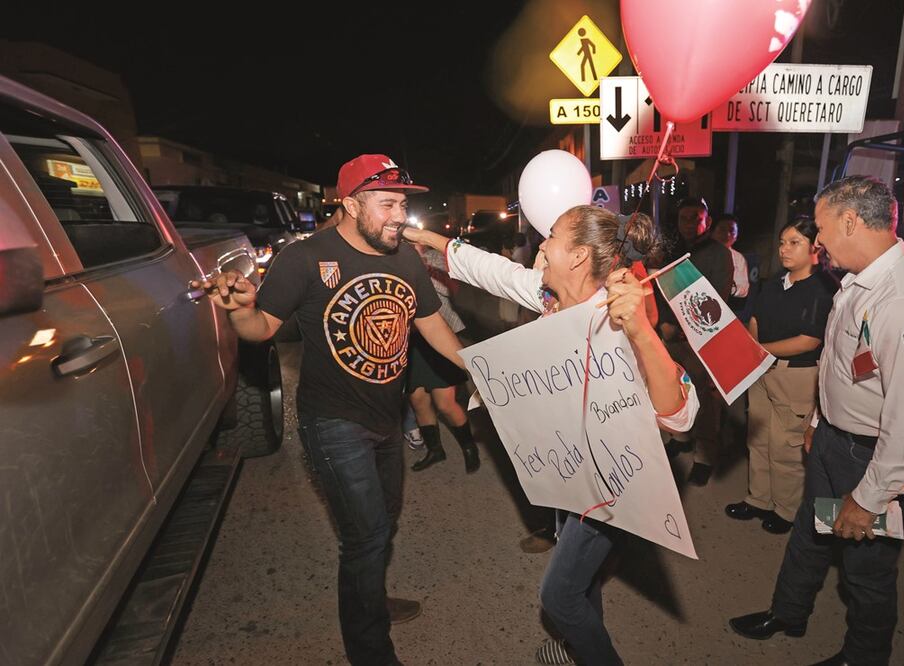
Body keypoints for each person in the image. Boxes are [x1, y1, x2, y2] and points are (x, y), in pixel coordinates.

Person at [193, 154, 465, 666]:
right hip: (333, 421)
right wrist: (239, 313)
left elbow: (432, 326)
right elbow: (260, 330)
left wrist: (485, 370)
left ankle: (369, 597)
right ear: (351, 204)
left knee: (383, 521)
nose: (399, 217)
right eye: (387, 204)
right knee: (366, 536)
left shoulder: (405, 258)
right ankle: (371, 650)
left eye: (402, 205)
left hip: (387, 418)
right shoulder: (303, 259)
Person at [404, 206, 699, 666]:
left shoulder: (617, 316)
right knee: (580, 582)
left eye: (553, 236)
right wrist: (425, 240)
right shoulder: (550, 297)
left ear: (578, 255)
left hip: (612, 486)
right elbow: (493, 271)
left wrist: (641, 332)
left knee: (558, 595)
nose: (541, 243)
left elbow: (680, 418)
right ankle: (581, 649)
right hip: (569, 474)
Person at [729, 176, 904, 666]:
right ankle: (788, 614)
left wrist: (870, 497)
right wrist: (819, 420)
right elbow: (841, 364)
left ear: (851, 222)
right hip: (835, 441)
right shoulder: (859, 279)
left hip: (872, 459)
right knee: (811, 535)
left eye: (821, 228)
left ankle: (864, 656)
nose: (818, 242)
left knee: (866, 569)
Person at [724, 215, 836, 535]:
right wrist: (753, 350)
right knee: (758, 440)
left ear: (815, 247)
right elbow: (755, 319)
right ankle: (759, 499)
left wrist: (760, 351)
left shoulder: (824, 287)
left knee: (786, 446)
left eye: (794, 243)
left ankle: (786, 510)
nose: (784, 249)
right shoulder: (774, 283)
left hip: (795, 375)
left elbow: (808, 340)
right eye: (782, 242)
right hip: (762, 372)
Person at [658, 197, 733, 485]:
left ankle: (704, 456)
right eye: (684, 218)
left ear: (707, 221)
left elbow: (716, 302)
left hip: (700, 339)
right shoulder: (672, 251)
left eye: (695, 218)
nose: (689, 223)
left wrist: (681, 329)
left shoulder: (719, 254)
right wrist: (663, 324)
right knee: (673, 391)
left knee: (703, 398)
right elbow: (661, 291)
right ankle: (680, 438)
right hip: (668, 335)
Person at [408, 242, 480, 473]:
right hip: (410, 341)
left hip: (440, 337)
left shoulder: (435, 259)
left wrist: (422, 267)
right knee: (418, 400)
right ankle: (435, 450)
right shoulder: (393, 261)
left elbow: (450, 290)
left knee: (445, 403)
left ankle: (469, 447)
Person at [710, 213, 750, 299]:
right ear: (712, 232)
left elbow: (744, 289)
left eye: (732, 231)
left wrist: (729, 288)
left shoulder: (739, 258)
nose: (727, 234)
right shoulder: (703, 252)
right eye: (722, 230)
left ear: (736, 236)